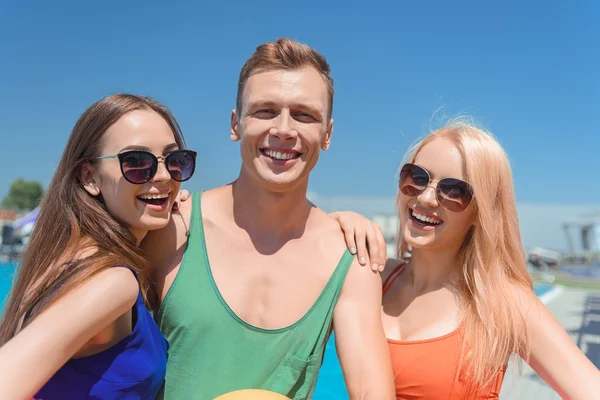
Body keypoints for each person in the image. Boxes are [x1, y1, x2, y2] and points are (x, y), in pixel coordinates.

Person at [141, 37, 395, 399]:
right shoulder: (173, 228)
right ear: (235, 124)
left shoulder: (351, 260)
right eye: (265, 111)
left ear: (327, 134)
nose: (284, 129)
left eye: (305, 115)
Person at [334, 121, 600, 398]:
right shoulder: (372, 275)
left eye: (454, 192)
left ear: (481, 213)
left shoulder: (501, 302)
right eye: (417, 177)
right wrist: (334, 225)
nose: (425, 197)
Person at [0, 94, 197, 399]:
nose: (163, 176)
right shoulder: (110, 280)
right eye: (136, 162)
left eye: (175, 161)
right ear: (89, 177)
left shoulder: (70, 258)